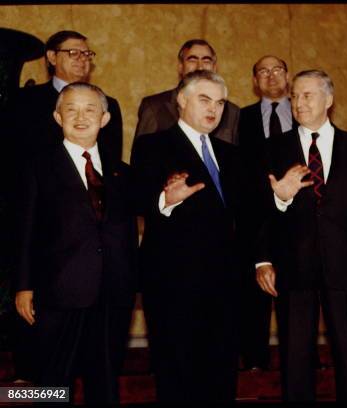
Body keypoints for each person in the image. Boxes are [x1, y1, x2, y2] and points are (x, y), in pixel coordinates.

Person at [255, 70, 347, 402]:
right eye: (294, 96)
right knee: (295, 359)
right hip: (292, 267)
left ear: (329, 99)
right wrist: (264, 256)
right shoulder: (272, 148)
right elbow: (257, 212)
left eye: (307, 95)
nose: (298, 103)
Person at [13, 82, 138, 404]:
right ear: (57, 116)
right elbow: (24, 230)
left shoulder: (120, 172)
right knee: (54, 382)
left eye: (90, 109)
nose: (80, 117)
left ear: (105, 118)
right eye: (71, 109)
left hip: (113, 293)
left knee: (106, 381)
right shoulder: (37, 167)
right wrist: (23, 286)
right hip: (59, 292)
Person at [131, 70, 244, 403]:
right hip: (173, 283)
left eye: (220, 102)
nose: (214, 109)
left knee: (221, 374)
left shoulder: (232, 154)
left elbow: (246, 214)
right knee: (177, 375)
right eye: (204, 99)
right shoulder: (153, 145)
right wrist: (166, 200)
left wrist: (279, 197)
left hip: (224, 284)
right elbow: (139, 198)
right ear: (181, 100)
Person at [237, 55, 297, 371]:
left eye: (277, 70)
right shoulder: (240, 117)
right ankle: (255, 359)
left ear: (287, 75)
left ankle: (302, 359)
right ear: (255, 80)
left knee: (297, 294)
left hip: (296, 218)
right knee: (255, 294)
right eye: (263, 71)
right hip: (253, 217)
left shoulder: (304, 114)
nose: (271, 76)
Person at [9, 30, 123, 161]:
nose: (82, 59)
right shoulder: (25, 100)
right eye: (73, 53)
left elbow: (111, 161)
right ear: (52, 57)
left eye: (87, 54)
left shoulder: (109, 104)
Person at [133, 38, 240, 146]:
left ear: (215, 67)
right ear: (180, 67)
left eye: (206, 60)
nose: (200, 66)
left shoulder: (232, 111)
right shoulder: (154, 107)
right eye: (192, 60)